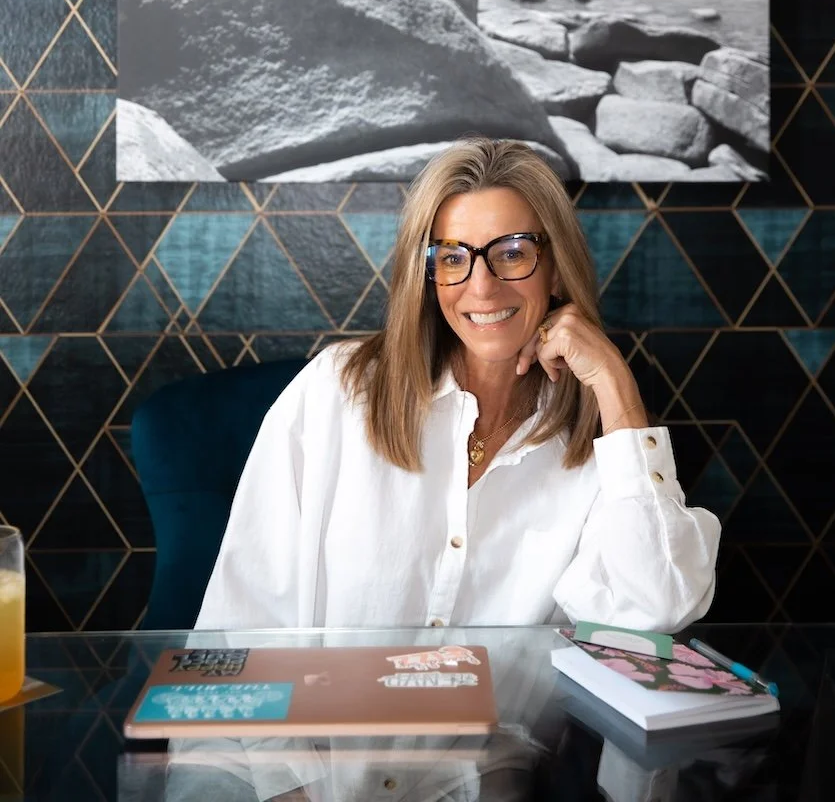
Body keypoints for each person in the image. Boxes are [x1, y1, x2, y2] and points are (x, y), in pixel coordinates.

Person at [196, 137, 720, 634]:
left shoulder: (599, 450)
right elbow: (241, 623)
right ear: (427, 277)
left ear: (556, 270)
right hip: (331, 731)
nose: (482, 286)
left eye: (512, 252)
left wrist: (615, 385)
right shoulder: (335, 391)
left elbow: (660, 607)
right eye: (453, 257)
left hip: (510, 733)